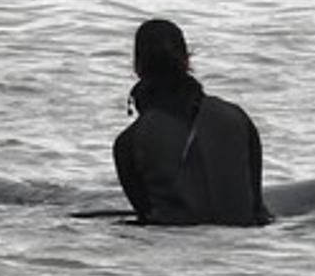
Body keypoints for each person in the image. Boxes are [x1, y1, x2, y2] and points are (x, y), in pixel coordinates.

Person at [112, 18, 270, 226]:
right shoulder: (238, 118)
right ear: (188, 61)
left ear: (137, 67)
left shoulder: (128, 143)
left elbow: (147, 218)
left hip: (176, 240)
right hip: (244, 240)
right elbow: (257, 209)